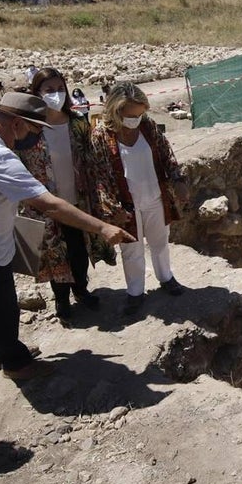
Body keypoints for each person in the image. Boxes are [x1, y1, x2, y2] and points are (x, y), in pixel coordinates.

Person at [0, 92, 133, 381]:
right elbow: (49, 204)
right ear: (17, 125)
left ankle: (0, 351)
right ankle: (16, 364)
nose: (35, 140)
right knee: (0, 306)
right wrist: (103, 228)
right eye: (34, 132)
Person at [18, 69, 114, 325]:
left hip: (76, 201)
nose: (56, 95)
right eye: (48, 90)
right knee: (53, 254)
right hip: (44, 205)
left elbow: (93, 160)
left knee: (78, 249)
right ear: (36, 93)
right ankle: (61, 299)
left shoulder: (78, 123)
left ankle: (81, 290)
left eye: (59, 88)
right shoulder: (28, 128)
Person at [90, 82, 189, 315]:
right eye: (130, 115)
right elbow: (99, 175)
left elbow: (167, 155)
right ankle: (135, 292)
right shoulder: (101, 136)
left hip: (155, 197)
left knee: (160, 242)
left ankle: (166, 278)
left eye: (139, 113)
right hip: (125, 204)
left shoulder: (148, 127)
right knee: (131, 250)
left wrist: (178, 180)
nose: (135, 119)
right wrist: (111, 208)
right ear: (116, 110)